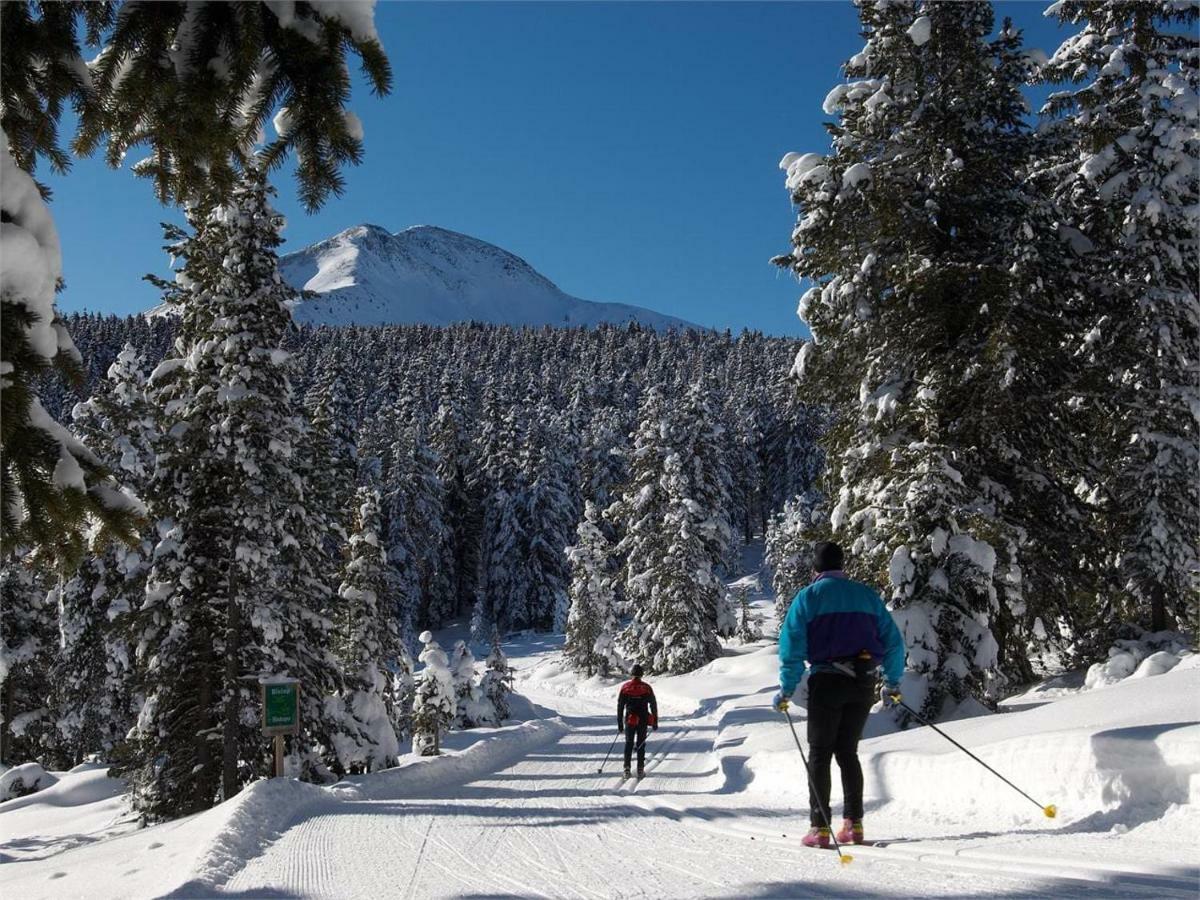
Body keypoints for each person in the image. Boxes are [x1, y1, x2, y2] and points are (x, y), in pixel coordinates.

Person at [772, 540, 905, 848]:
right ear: (842, 565)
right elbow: (893, 643)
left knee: (820, 754)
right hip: (862, 683)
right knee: (848, 753)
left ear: (816, 567)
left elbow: (791, 647)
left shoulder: (808, 597)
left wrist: (787, 689)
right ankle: (854, 824)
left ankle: (819, 828)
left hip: (827, 681)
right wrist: (892, 682)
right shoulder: (867, 595)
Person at [617, 664, 658, 778]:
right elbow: (653, 705)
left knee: (629, 744)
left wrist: (620, 723)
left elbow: (620, 706)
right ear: (642, 674)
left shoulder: (625, 687)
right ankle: (640, 769)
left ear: (632, 674)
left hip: (630, 720)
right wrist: (655, 721)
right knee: (641, 744)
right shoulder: (647, 687)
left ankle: (626, 769)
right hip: (643, 719)